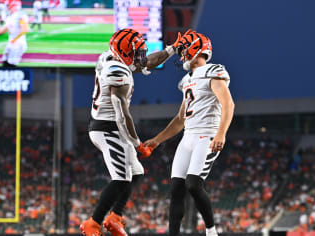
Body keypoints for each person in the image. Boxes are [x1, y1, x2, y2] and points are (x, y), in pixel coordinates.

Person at [79, 28, 188, 236]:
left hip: (112, 126)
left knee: (136, 173)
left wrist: (173, 49)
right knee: (120, 179)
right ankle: (93, 223)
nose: (141, 57)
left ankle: (115, 217)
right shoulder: (117, 72)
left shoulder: (112, 58)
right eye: (137, 52)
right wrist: (138, 144)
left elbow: (148, 62)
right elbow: (122, 117)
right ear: (125, 51)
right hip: (107, 129)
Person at [144, 30, 235, 236]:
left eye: (184, 48)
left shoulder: (213, 71)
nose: (181, 53)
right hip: (189, 137)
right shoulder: (187, 80)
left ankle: (211, 231)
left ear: (195, 48)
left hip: (207, 134)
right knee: (177, 189)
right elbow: (180, 120)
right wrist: (157, 141)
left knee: (193, 184)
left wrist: (221, 133)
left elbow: (228, 104)